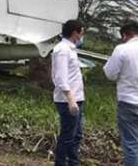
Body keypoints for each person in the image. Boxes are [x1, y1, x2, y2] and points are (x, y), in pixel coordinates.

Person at [51, 19, 86, 166]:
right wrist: (71, 98)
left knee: (76, 135)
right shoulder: (62, 50)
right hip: (67, 101)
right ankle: (61, 163)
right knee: (67, 136)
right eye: (81, 33)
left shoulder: (70, 49)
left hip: (76, 98)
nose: (82, 36)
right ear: (74, 33)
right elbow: (61, 77)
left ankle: (73, 163)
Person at [103, 20, 138, 166]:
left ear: (124, 35)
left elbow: (110, 74)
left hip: (128, 102)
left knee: (131, 144)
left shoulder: (121, 49)